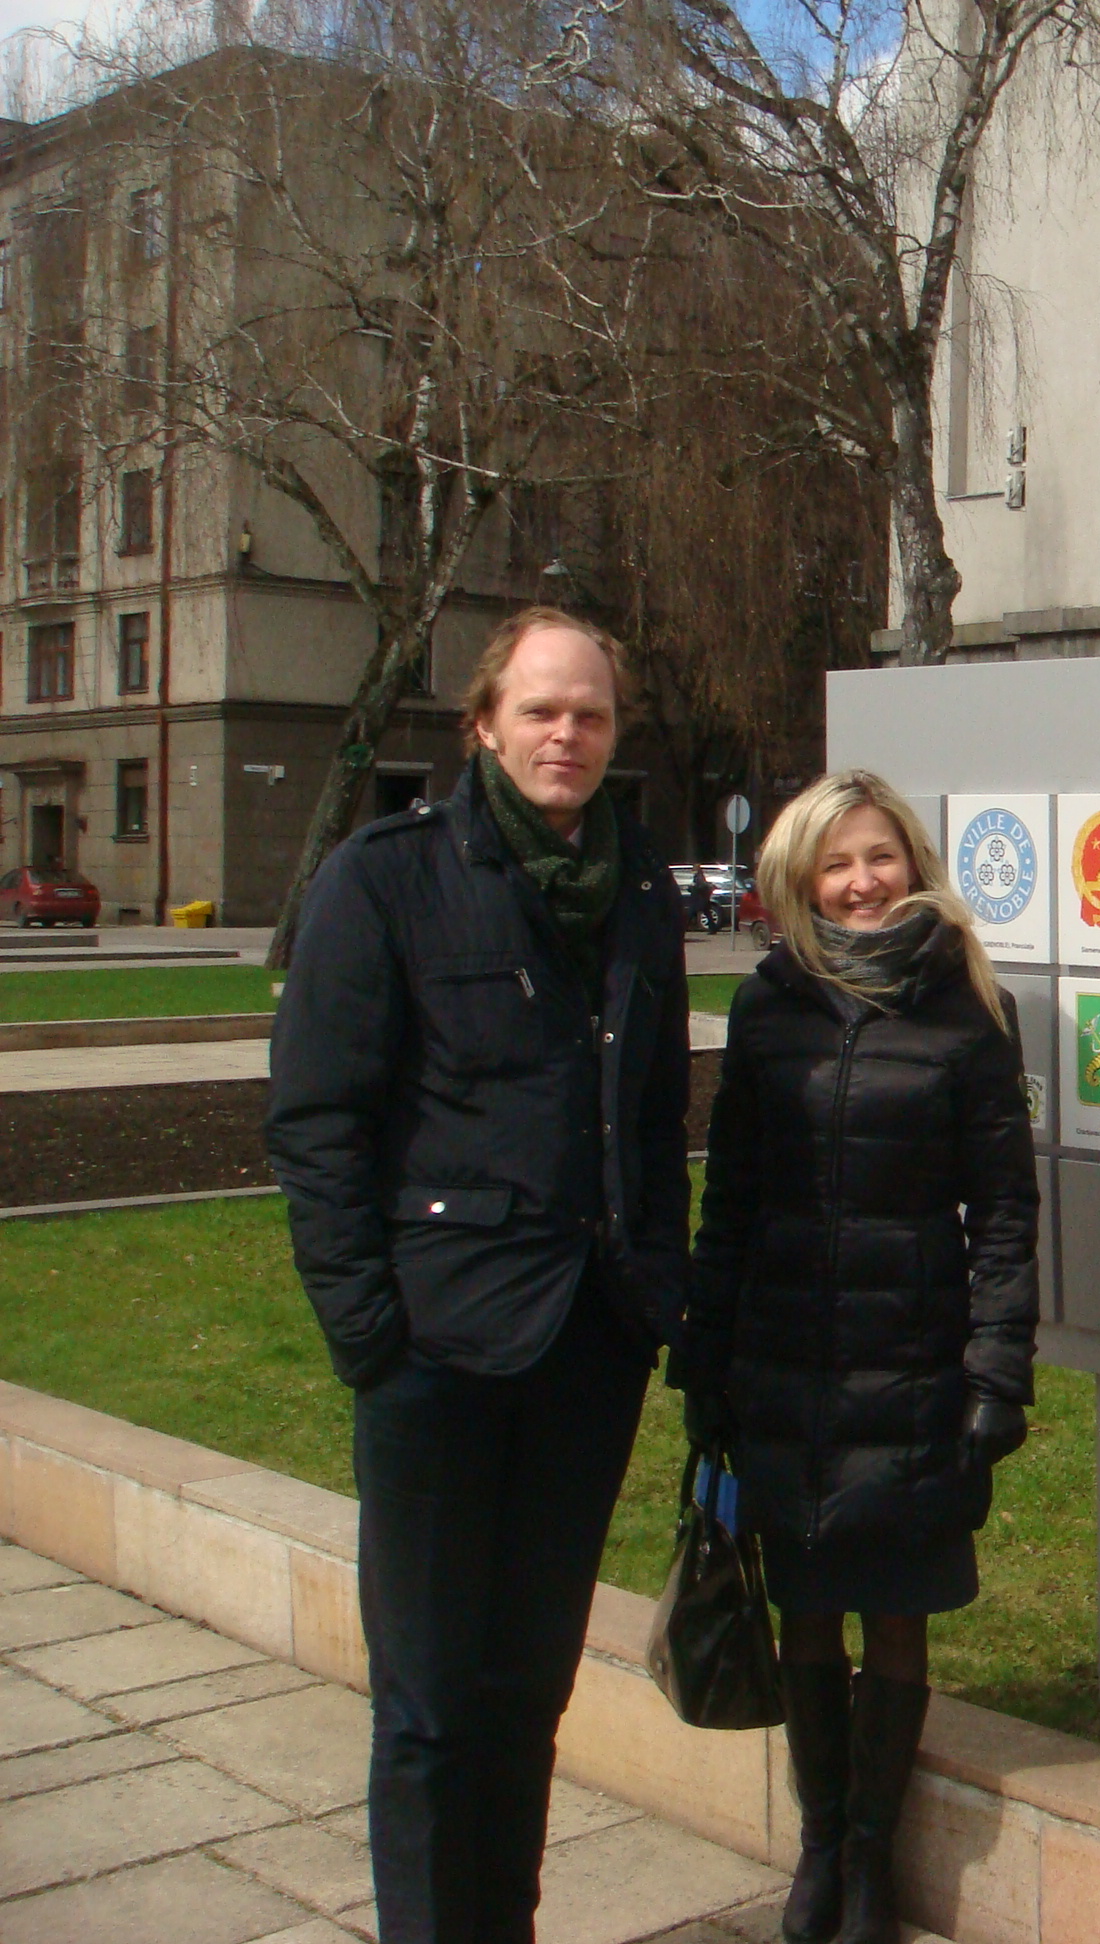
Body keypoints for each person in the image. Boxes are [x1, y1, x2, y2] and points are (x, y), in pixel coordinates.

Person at [266, 607, 692, 1944]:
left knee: (528, 1694)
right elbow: (318, 1122)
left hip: (587, 1349)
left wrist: (655, 1295)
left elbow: (655, 1111)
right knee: (432, 1705)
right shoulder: (385, 876)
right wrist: (369, 1333)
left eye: (592, 714)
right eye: (542, 710)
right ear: (486, 725)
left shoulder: (636, 885)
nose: (568, 734)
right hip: (436, 1355)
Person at [672, 771, 1039, 1944]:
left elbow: (1005, 1211)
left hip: (913, 1360)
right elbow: (730, 1195)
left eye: (879, 856)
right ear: (801, 880)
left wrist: (997, 1371)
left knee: (895, 1614)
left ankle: (874, 1857)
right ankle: (821, 1845)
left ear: (913, 863)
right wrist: (704, 1359)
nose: (862, 882)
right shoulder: (768, 1004)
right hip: (785, 1357)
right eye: (836, 863)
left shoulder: (967, 1004)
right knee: (806, 1612)